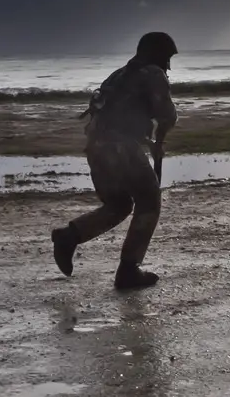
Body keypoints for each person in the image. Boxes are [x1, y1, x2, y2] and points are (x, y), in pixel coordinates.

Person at [51, 31, 179, 290]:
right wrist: (159, 141)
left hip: (96, 146)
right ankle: (129, 271)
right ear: (154, 53)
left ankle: (69, 236)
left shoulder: (118, 75)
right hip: (120, 146)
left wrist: (151, 142)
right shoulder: (153, 74)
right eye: (167, 57)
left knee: (118, 205)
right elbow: (167, 115)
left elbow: (115, 113)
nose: (168, 65)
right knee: (149, 203)